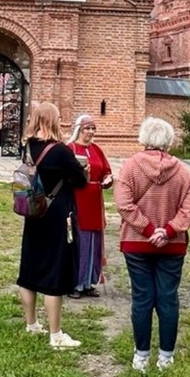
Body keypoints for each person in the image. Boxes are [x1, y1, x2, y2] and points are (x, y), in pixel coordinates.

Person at [114, 117, 190, 371]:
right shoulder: (182, 171)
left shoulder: (130, 167)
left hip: (136, 243)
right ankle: (166, 357)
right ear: (169, 140)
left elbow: (123, 204)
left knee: (142, 297)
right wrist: (168, 231)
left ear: (143, 138)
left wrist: (148, 230)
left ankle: (141, 356)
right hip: (172, 245)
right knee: (168, 297)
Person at [16, 101, 88, 349]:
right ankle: (56, 335)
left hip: (33, 210)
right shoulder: (60, 151)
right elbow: (80, 180)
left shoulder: (28, 146)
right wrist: (82, 169)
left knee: (30, 267)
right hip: (57, 213)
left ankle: (32, 323)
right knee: (55, 269)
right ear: (54, 121)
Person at [65, 113, 113, 296]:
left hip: (95, 201)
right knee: (80, 241)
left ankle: (89, 282)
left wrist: (108, 179)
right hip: (77, 200)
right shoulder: (70, 148)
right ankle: (76, 283)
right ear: (79, 129)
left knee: (94, 241)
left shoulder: (97, 149)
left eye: (93, 128)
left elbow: (106, 170)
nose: (91, 132)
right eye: (87, 128)